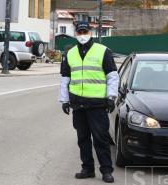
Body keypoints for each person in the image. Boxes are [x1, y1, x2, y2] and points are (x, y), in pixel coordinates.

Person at [59, 21, 119, 183]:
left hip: (97, 105)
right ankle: (87, 168)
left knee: (101, 139)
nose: (82, 35)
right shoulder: (70, 54)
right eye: (80, 32)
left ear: (90, 33)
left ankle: (106, 171)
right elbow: (65, 78)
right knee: (83, 138)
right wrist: (64, 100)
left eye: (85, 32)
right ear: (76, 34)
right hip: (78, 104)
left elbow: (112, 76)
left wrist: (111, 97)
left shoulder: (103, 51)